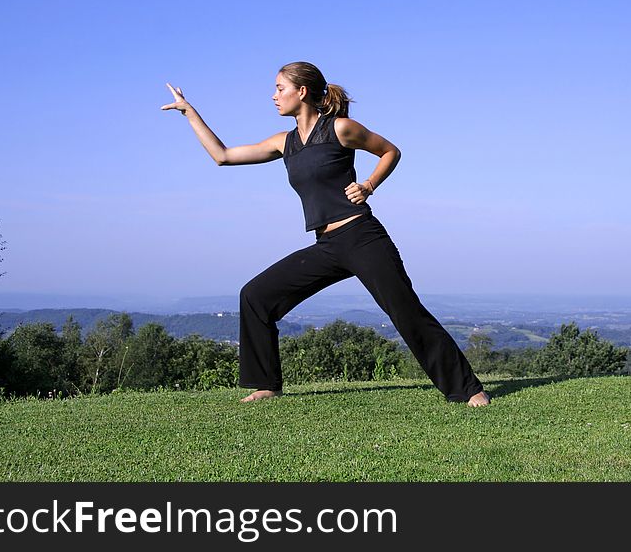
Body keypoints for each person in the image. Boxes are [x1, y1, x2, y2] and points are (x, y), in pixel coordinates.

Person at [161, 61, 491, 407]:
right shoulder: (283, 143)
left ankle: (468, 389)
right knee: (256, 296)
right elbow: (223, 156)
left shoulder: (341, 129)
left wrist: (369, 185)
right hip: (327, 246)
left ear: (301, 92)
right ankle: (267, 385)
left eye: (279, 88)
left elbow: (390, 150)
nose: (273, 96)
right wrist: (189, 112)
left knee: (405, 311)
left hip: (362, 236)